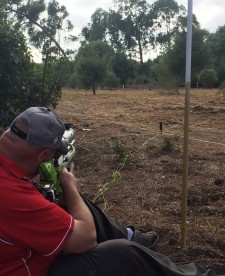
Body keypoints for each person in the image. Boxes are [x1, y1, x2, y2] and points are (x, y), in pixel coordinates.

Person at [0, 107, 217, 276]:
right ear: (42, 155)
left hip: (24, 256)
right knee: (123, 254)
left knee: (78, 207)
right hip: (33, 269)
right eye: (50, 157)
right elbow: (86, 239)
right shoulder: (12, 195)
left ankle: (131, 235)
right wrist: (70, 187)